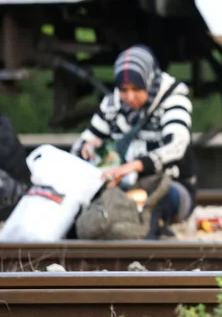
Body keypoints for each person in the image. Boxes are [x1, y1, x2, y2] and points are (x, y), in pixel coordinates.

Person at [71, 45, 197, 238]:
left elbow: (177, 145)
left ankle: (146, 231)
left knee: (157, 199)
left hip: (170, 186)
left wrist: (134, 166)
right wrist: (88, 149)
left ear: (149, 81)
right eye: (124, 90)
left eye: (137, 89)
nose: (129, 97)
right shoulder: (112, 104)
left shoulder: (174, 99)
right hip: (122, 186)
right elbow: (84, 140)